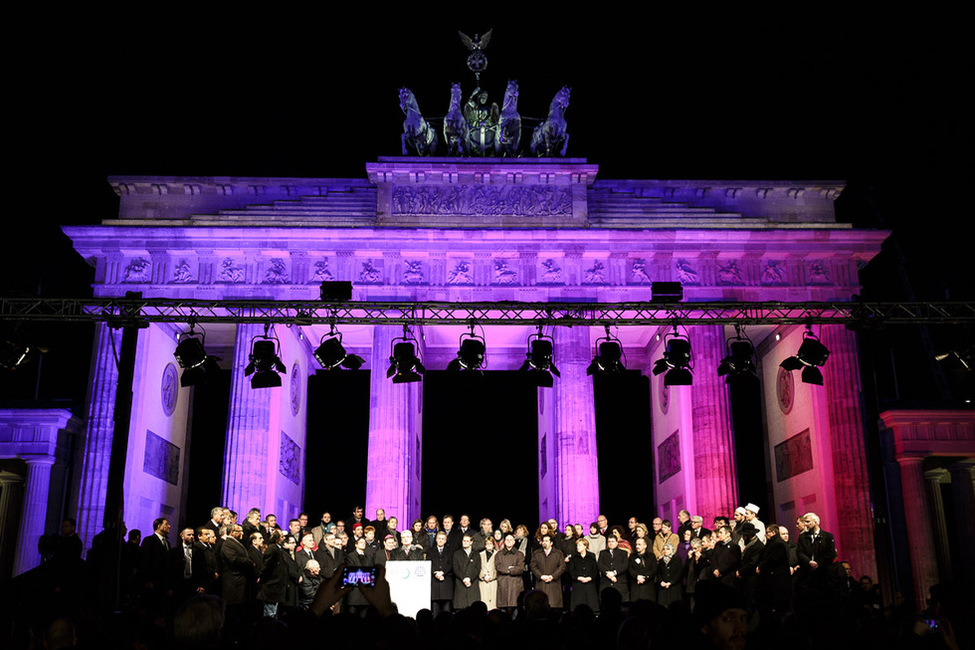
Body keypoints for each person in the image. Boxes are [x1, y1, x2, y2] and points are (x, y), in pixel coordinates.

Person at [796, 512, 836, 590]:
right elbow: (799, 552)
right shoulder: (802, 537)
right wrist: (809, 562)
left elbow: (830, 553)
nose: (805, 524)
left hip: (824, 575)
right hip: (807, 576)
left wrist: (818, 563)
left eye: (808, 521)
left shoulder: (827, 536)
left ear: (816, 522)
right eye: (804, 522)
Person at [530, 533, 565, 609]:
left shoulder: (558, 553)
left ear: (551, 543)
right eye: (543, 541)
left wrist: (552, 576)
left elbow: (562, 567)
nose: (544, 542)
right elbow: (533, 566)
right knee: (540, 606)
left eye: (546, 541)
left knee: (554, 606)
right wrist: (541, 576)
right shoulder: (537, 553)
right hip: (541, 583)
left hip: (554, 584)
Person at [495, 533, 525, 612]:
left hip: (516, 585)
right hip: (503, 583)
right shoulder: (499, 554)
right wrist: (510, 569)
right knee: (503, 609)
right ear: (504, 542)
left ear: (514, 542)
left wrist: (510, 570)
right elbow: (498, 567)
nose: (509, 541)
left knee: (515, 608)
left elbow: (520, 569)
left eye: (511, 540)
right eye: (507, 540)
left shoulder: (520, 554)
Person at [568, 537, 599, 613]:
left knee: (591, 604)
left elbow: (595, 570)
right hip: (578, 584)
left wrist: (590, 578)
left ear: (585, 546)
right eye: (577, 545)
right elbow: (571, 570)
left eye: (580, 545)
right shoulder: (574, 557)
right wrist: (578, 577)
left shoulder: (591, 556)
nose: (578, 547)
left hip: (590, 584)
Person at [452, 534, 482, 609]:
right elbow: (456, 568)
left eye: (467, 541)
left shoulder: (476, 554)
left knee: (473, 608)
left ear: (471, 542)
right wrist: (464, 578)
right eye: (464, 541)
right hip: (460, 583)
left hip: (473, 583)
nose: (465, 542)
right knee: (461, 608)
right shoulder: (457, 554)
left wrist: (470, 578)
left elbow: (477, 568)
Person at [597, 533, 629, 602]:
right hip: (606, 582)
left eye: (613, 541)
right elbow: (600, 565)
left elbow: (625, 565)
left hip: (619, 582)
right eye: (609, 542)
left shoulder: (623, 553)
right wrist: (608, 574)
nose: (611, 543)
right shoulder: (603, 553)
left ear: (617, 542)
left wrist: (614, 572)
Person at [429, 530, 454, 614]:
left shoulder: (450, 551)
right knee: (435, 611)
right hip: (434, 584)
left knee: (447, 611)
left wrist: (443, 572)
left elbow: (451, 564)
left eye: (442, 539)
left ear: (445, 540)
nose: (440, 540)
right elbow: (429, 563)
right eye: (439, 538)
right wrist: (435, 573)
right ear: (436, 539)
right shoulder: (430, 551)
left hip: (446, 583)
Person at [628, 536, 656, 602]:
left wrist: (645, 577)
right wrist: (637, 576)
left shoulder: (651, 556)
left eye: (639, 544)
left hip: (648, 586)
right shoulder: (632, 556)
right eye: (636, 544)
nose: (637, 546)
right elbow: (630, 569)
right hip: (636, 586)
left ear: (645, 546)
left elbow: (653, 569)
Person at [656, 542, 683, 608]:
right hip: (663, 588)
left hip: (674, 588)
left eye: (667, 549)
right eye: (664, 549)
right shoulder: (661, 561)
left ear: (671, 550)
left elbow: (679, 573)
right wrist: (661, 581)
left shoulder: (677, 560)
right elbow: (659, 573)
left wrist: (671, 582)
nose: (665, 551)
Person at [478, 536, 499, 610]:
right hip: (483, 582)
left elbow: (499, 568)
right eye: (487, 544)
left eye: (490, 543)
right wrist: (483, 576)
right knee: (484, 603)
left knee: (493, 604)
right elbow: (477, 567)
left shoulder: (497, 554)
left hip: (493, 581)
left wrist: (492, 576)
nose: (489, 545)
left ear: (493, 545)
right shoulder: (480, 555)